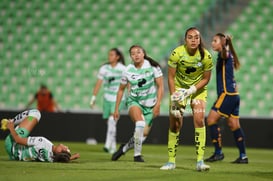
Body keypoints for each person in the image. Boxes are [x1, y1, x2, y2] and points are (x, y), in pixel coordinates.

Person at [160, 27, 213, 171]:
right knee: (175, 123)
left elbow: (206, 79)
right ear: (185, 40)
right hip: (178, 90)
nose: (193, 40)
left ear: (200, 39)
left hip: (198, 91)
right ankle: (171, 162)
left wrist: (192, 90)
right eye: (190, 37)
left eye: (196, 37)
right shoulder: (177, 53)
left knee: (199, 119)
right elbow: (170, 77)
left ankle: (200, 162)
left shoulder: (206, 56)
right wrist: (174, 97)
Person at [111, 45, 164, 162]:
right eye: (133, 53)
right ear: (131, 56)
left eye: (138, 52)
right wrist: (116, 109)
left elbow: (160, 86)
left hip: (150, 104)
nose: (136, 55)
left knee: (142, 135)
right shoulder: (127, 70)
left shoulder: (153, 67)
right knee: (140, 123)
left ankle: (123, 149)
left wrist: (158, 104)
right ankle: (137, 155)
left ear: (143, 54)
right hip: (134, 101)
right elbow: (121, 90)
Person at [205, 33, 248, 164]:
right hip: (234, 95)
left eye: (215, 41)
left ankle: (218, 153)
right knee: (234, 125)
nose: (212, 43)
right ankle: (243, 156)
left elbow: (225, 54)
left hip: (227, 94)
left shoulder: (225, 53)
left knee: (211, 119)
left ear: (222, 43)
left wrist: (226, 44)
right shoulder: (226, 54)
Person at [1, 109, 80, 162]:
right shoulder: (51, 158)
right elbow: (62, 159)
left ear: (59, 151)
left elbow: (18, 140)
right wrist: (71, 158)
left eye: (66, 148)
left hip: (12, 143)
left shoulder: (42, 142)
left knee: (35, 113)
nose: (66, 146)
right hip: (14, 156)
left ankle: (9, 122)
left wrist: (11, 128)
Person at [89, 48, 126, 154]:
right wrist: (93, 98)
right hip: (107, 98)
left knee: (112, 120)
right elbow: (98, 83)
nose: (109, 57)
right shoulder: (104, 68)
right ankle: (113, 146)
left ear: (117, 57)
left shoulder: (123, 68)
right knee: (110, 123)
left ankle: (107, 144)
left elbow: (127, 83)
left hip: (118, 98)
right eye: (109, 55)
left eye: (112, 55)